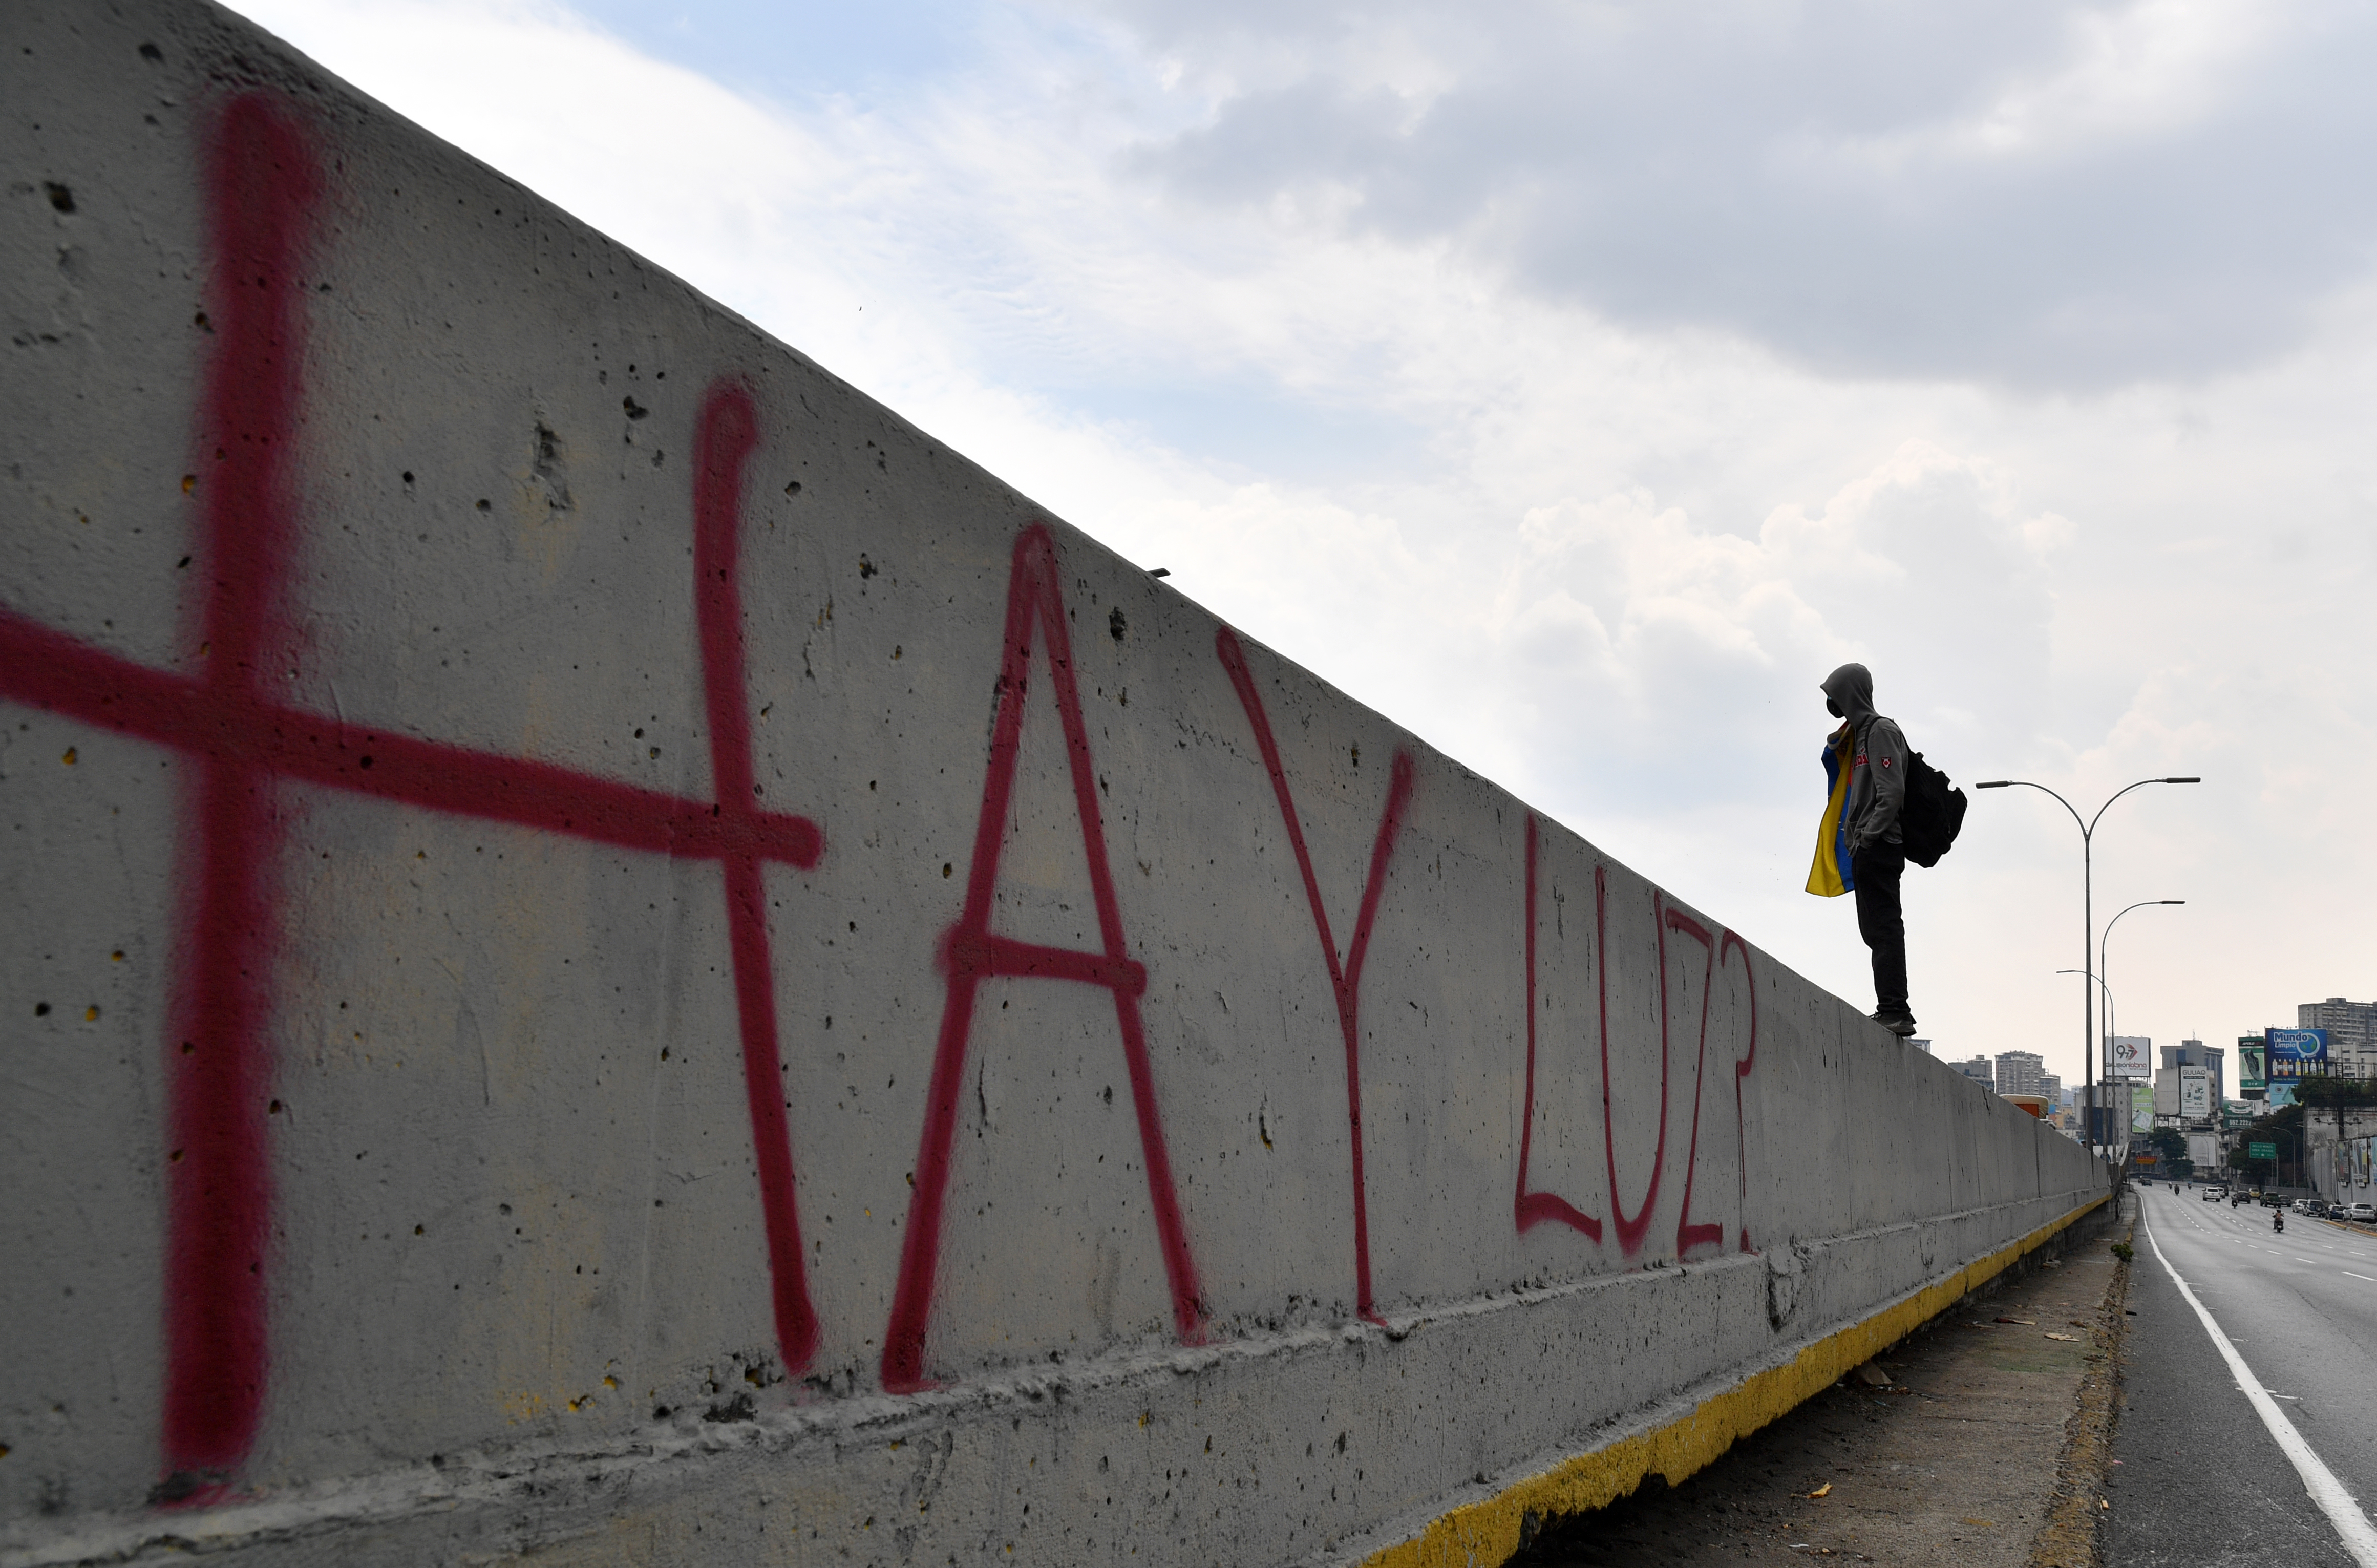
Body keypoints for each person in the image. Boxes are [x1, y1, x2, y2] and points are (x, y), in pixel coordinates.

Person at [1806, 663, 1916, 1035]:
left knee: (1884, 929)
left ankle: (1896, 1010)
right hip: (1868, 847)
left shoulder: (1881, 731)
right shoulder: (1860, 735)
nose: (1830, 703)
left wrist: (1867, 836)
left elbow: (1892, 792)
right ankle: (1890, 1008)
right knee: (1873, 931)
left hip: (1881, 846)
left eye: (1834, 695)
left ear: (1850, 694)